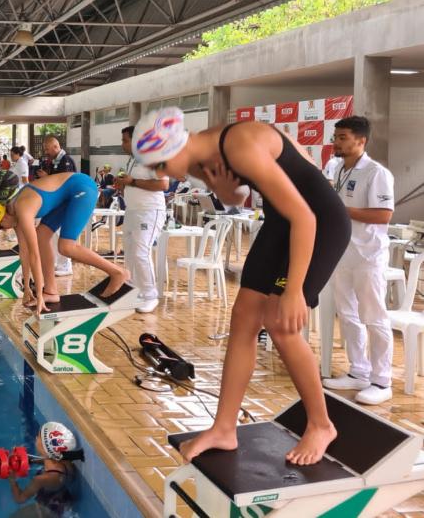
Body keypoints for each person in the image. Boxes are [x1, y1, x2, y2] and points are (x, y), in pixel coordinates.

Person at [133, 108, 350, 465]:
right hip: (282, 222)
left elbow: (305, 215)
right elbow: (240, 198)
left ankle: (321, 424)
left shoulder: (240, 143)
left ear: (171, 150)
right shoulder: (196, 157)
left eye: (158, 166)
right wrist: (222, 190)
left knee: (281, 323)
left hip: (318, 221)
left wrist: (293, 289)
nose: (159, 175)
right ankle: (223, 428)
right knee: (244, 316)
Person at [322, 116, 395, 405]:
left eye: (342, 137)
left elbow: (383, 215)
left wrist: (341, 211)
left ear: (360, 141)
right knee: (348, 315)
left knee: (374, 317)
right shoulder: (338, 168)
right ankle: (358, 371)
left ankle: (381, 380)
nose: (336, 142)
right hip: (343, 253)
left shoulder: (377, 173)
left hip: (368, 256)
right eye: (336, 137)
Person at [0, 172, 130, 312]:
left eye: (0, 227)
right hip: (68, 195)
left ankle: (117, 272)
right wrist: (26, 287)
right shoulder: (13, 211)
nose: (4, 230)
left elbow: (34, 255)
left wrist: (38, 294)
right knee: (41, 235)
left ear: (3, 218)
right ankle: (51, 291)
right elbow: (24, 252)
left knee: (66, 247)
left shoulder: (22, 210)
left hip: (82, 188)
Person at [115, 126, 169, 313]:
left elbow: (163, 184)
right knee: (129, 252)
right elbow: (131, 182)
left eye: (125, 140)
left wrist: (132, 182)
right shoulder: (132, 159)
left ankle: (149, 295)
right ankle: (134, 292)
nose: (122, 144)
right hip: (132, 211)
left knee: (140, 252)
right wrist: (123, 184)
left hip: (150, 211)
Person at [8, 422, 78, 518]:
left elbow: (20, 498)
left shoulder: (40, 480)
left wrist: (12, 480)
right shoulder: (66, 464)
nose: (36, 438)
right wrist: (28, 460)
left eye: (38, 437)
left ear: (45, 448)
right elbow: (47, 460)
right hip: (61, 506)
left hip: (45, 513)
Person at [36, 136, 77, 277]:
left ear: (55, 146)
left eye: (47, 149)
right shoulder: (56, 161)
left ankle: (66, 265)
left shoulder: (66, 161)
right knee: (53, 234)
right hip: (57, 203)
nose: (46, 152)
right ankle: (57, 262)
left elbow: (63, 182)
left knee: (62, 235)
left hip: (65, 203)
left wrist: (46, 177)